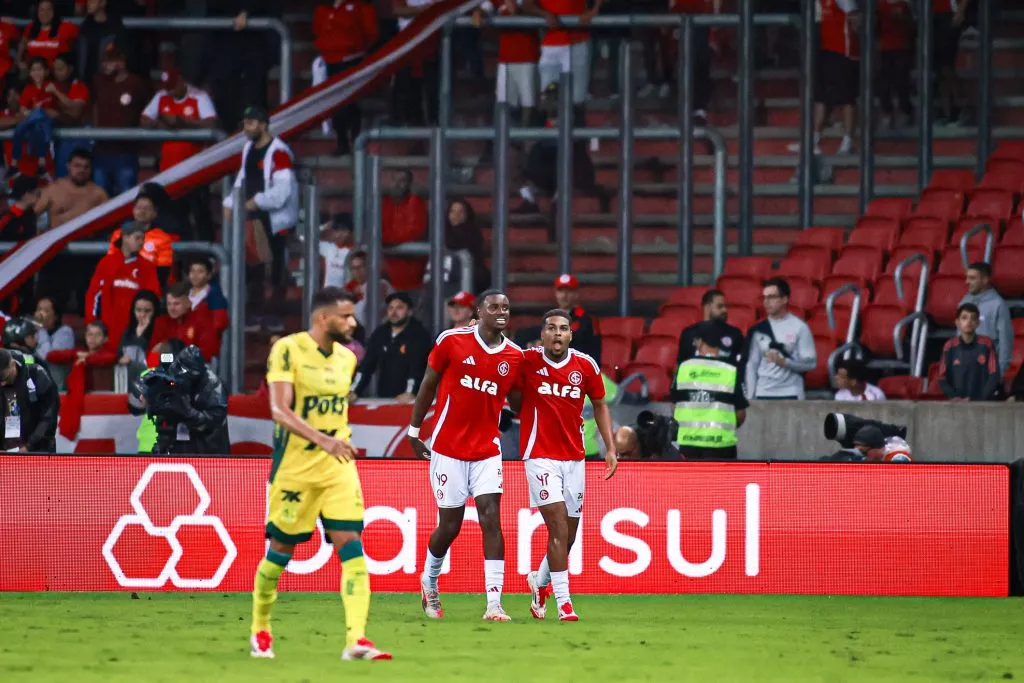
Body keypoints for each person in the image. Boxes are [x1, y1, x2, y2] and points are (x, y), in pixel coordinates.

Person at [252, 287, 392, 661]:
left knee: (352, 546)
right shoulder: (287, 348)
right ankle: (260, 628)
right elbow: (279, 410)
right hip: (296, 469)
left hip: (337, 468)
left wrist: (335, 441)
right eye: (345, 316)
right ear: (322, 318)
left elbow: (336, 410)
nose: (353, 322)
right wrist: (321, 439)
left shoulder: (347, 358)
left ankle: (356, 639)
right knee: (280, 551)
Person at [408, 289, 524, 621]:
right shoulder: (451, 341)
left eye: (506, 306)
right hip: (448, 448)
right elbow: (428, 385)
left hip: (487, 448)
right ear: (479, 312)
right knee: (450, 526)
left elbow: (516, 403)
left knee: (491, 516)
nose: (501, 311)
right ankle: (429, 580)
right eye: (494, 306)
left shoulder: (515, 357)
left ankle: (494, 603)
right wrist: (415, 432)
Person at [509, 308, 616, 622]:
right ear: (543, 334)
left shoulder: (586, 365)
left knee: (568, 537)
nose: (557, 334)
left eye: (563, 329)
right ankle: (564, 603)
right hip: (539, 457)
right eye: (551, 328)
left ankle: (539, 581)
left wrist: (610, 448)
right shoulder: (526, 361)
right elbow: (507, 385)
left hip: (574, 459)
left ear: (571, 334)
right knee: (556, 529)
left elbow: (599, 405)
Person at [222, 105, 299, 326]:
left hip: (276, 219)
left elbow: (282, 192)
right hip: (253, 216)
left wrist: (254, 202)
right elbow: (242, 178)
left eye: (251, 123)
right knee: (253, 267)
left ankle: (274, 314)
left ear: (263, 124)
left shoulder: (279, 152)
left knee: (274, 268)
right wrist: (230, 202)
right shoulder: (248, 148)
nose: (247, 128)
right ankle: (254, 312)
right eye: (245, 123)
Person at [788, 0, 859, 156]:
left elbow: (855, 19)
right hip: (824, 50)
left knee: (847, 97)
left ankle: (847, 142)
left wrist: (857, 46)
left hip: (843, 51)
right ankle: (813, 139)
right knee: (820, 96)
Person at [673, 320, 748, 460]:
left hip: (687, 445)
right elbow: (741, 413)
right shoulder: (730, 370)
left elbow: (674, 406)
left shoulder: (683, 368)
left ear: (699, 342)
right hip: (722, 446)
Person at [313, 0, 379, 156]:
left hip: (351, 60)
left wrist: (356, 50)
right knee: (334, 104)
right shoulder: (323, 8)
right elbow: (318, 31)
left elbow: (370, 33)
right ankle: (342, 141)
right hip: (329, 61)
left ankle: (356, 138)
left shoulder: (360, 7)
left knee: (348, 102)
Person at [84, 220, 161, 347]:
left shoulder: (147, 267)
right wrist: (92, 324)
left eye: (143, 239)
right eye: (137, 238)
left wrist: (144, 329)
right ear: (125, 237)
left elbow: (153, 299)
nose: (141, 242)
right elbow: (93, 296)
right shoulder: (106, 263)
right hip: (107, 332)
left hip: (134, 333)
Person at [90, 42, 148, 197]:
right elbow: (95, 106)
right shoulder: (98, 80)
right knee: (100, 199)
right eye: (104, 61)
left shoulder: (135, 83)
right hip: (102, 151)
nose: (106, 65)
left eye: (111, 60)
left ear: (122, 62)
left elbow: (147, 109)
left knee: (126, 197)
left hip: (125, 152)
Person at [745, 278, 816, 400]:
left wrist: (785, 363)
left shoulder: (799, 327)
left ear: (785, 299)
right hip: (763, 393)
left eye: (772, 297)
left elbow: (810, 363)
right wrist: (750, 397)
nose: (766, 302)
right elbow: (752, 365)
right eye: (764, 297)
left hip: (791, 392)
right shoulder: (758, 330)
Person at [352, 292, 431, 402]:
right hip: (384, 397)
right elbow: (367, 364)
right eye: (390, 308)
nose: (394, 312)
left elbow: (418, 368)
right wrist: (354, 391)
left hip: (413, 400)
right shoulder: (381, 333)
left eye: (399, 308)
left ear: (409, 312)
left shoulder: (419, 334)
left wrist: (411, 392)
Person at [474, 0, 540, 128]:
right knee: (504, 103)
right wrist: (478, 12)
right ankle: (507, 143)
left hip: (528, 58)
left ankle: (528, 142)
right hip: (505, 59)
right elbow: (486, 7)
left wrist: (519, 11)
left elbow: (538, 12)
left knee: (529, 104)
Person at [140, 68, 218, 171]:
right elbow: (144, 119)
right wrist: (160, 125)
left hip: (194, 162)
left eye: (172, 88)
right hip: (166, 162)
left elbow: (211, 123)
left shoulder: (199, 96)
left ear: (181, 82)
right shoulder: (162, 95)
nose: (169, 92)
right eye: (167, 88)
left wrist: (184, 122)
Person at [106, 198, 179, 287]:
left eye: (147, 208)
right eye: (138, 207)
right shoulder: (118, 234)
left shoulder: (162, 238)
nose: (142, 211)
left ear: (154, 213)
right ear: (133, 210)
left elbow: (163, 272)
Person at [0, 347, 59, 452]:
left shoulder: (36, 375)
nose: (2, 383)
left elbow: (49, 415)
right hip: (6, 452)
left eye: (4, 377)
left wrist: (29, 446)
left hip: (37, 450)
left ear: (13, 364)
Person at [938, 303, 999, 402]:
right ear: (957, 322)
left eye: (973, 318)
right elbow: (941, 377)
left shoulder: (987, 344)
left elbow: (994, 376)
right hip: (957, 404)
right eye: (964, 318)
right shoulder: (949, 346)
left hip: (982, 404)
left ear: (978, 323)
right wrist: (954, 396)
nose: (969, 321)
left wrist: (979, 399)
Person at [33, 147, 108, 228]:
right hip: (59, 238)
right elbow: (33, 215)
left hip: (87, 239)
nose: (82, 170)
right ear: (68, 166)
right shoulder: (53, 190)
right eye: (77, 166)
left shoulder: (98, 193)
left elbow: (110, 220)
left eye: (86, 167)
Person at [960, 262, 1012, 376]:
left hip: (987, 370)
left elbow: (1005, 342)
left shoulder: (998, 304)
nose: (967, 282)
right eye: (967, 278)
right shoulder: (964, 301)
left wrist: (1000, 372)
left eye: (972, 278)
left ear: (985, 280)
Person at [381, 169, 428, 291]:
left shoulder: (415, 202)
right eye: (394, 180)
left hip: (410, 270)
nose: (397, 184)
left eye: (402, 181)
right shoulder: (385, 203)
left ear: (409, 184)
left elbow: (414, 232)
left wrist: (387, 240)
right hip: (389, 268)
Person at [149, 282, 219, 361]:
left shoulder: (201, 320)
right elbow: (153, 353)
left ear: (188, 303)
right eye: (169, 304)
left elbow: (208, 353)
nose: (172, 308)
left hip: (194, 368)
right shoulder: (161, 322)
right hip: (166, 368)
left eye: (176, 304)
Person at [677, 289, 745, 366]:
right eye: (720, 306)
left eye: (725, 306)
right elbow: (681, 365)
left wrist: (717, 353)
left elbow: (741, 364)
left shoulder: (735, 334)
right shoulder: (689, 333)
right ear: (707, 307)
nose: (725, 310)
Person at [48, 52, 90, 176]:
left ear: (70, 69)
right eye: (54, 69)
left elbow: (75, 114)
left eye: (61, 68)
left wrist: (54, 111)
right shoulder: (50, 85)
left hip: (77, 138)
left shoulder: (79, 86)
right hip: (56, 138)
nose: (57, 72)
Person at [876, 0, 914, 129]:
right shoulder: (878, 5)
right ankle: (887, 112)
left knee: (901, 81)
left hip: (901, 47)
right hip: (884, 48)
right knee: (883, 83)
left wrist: (903, 18)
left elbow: (912, 27)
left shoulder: (904, 5)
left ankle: (905, 111)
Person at [553, 273, 601, 364]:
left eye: (568, 291)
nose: (564, 296)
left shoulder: (587, 320)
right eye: (561, 291)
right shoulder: (550, 319)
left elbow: (593, 354)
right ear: (556, 294)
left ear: (576, 294)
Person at [17, 0, 79, 70]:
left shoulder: (67, 27)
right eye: (42, 10)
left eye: (48, 9)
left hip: (57, 73)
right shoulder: (30, 28)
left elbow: (78, 48)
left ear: (54, 11)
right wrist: (19, 61)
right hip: (34, 74)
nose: (45, 13)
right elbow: (22, 44)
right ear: (37, 12)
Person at [186, 255, 229, 338]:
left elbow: (219, 323)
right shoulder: (183, 293)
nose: (195, 275)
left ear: (209, 275)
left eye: (200, 271)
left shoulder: (215, 296)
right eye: (192, 271)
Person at [117, 289, 159, 367]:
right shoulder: (129, 330)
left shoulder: (162, 330)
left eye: (147, 311)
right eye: (138, 310)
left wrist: (140, 337)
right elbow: (120, 355)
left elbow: (168, 359)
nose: (142, 315)